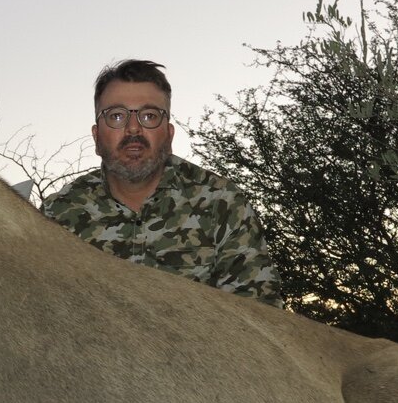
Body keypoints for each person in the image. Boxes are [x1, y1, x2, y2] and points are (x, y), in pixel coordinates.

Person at [41, 58, 281, 304]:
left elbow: (259, 318)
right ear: (96, 136)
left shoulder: (223, 203)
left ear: (169, 134)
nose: (133, 129)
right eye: (116, 116)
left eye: (149, 116)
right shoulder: (56, 214)